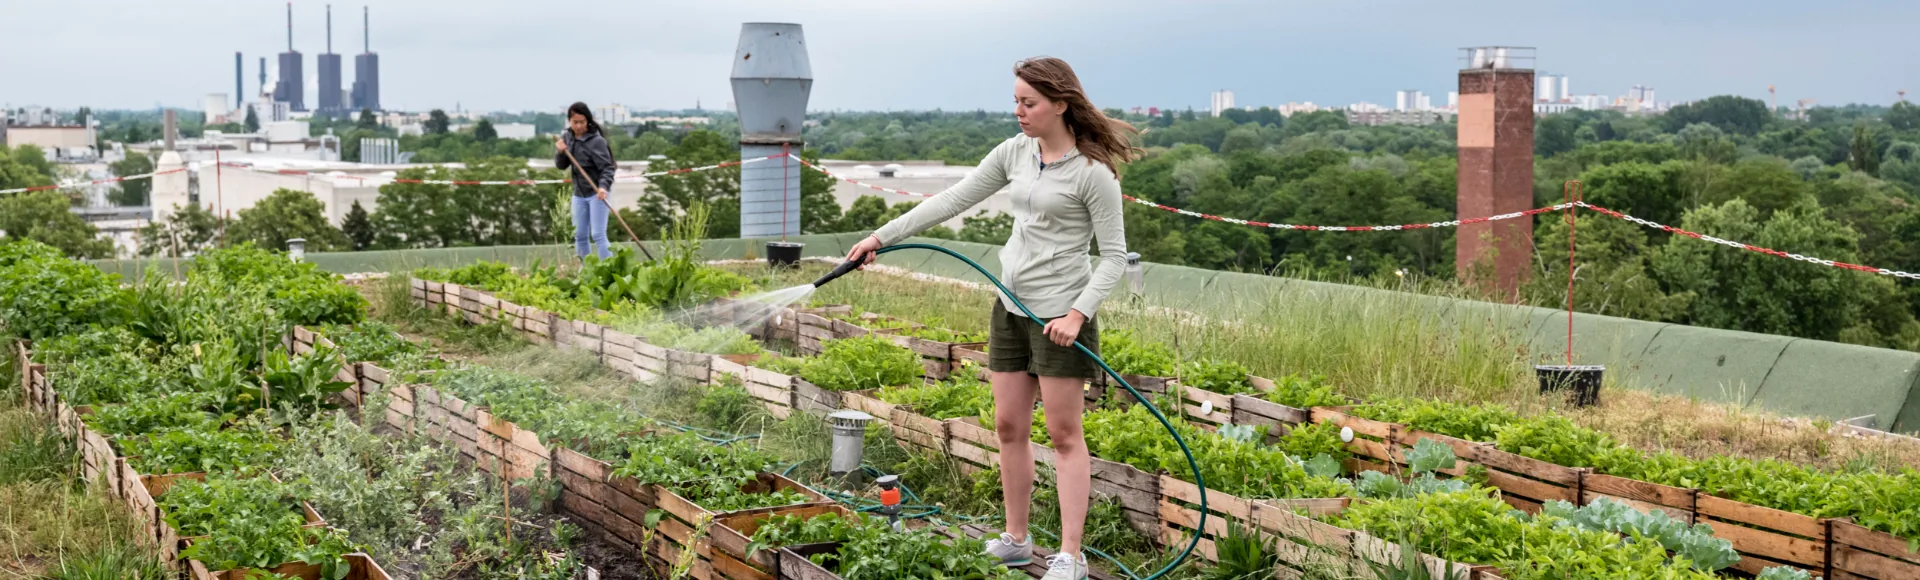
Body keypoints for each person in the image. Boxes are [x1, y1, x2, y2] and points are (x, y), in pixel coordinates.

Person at [843, 56, 1137, 580]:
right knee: (1008, 427)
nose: (1019, 112)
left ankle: (1071, 554)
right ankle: (1017, 540)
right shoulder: (1014, 153)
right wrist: (880, 238)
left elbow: (1114, 256)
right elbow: (952, 199)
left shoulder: (1094, 174)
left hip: (1059, 317)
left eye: (1029, 103)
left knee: (1065, 434)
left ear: (1060, 105)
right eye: (1016, 101)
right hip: (1010, 307)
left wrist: (1077, 313)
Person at [555, 102, 617, 260]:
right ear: (569, 120)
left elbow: (608, 168)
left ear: (588, 121)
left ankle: (609, 269)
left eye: (582, 122)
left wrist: (603, 187)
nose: (578, 126)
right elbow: (561, 166)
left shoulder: (597, 141)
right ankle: (586, 270)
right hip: (579, 194)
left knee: (598, 235)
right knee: (580, 235)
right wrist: (561, 152)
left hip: (597, 193)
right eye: (575, 122)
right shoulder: (567, 138)